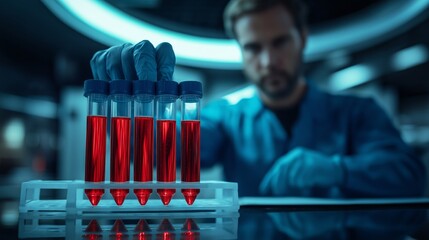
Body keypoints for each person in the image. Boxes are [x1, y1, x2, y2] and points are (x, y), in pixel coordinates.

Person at [90, 0, 426, 197]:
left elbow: (411, 178)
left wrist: (336, 170)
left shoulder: (357, 113)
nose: (267, 61)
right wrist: (133, 108)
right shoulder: (225, 117)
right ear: (240, 50)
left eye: (279, 42)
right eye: (253, 47)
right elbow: (172, 150)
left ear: (303, 39)